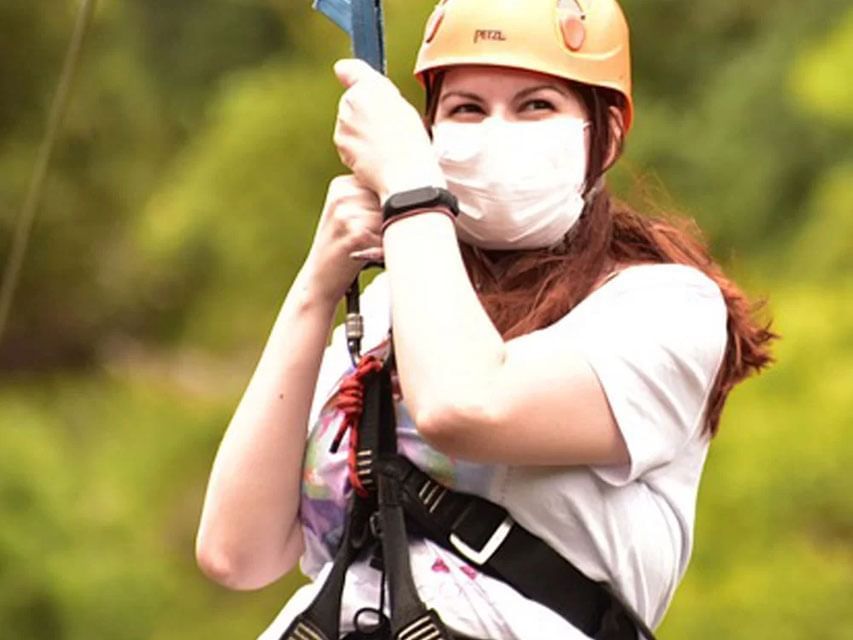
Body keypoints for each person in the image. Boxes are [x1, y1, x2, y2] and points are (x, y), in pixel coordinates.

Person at [195, 0, 775, 638]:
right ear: (431, 130)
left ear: (605, 133)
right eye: (467, 108)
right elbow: (235, 552)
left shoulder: (664, 307)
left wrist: (412, 190)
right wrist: (317, 285)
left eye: (536, 105)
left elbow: (464, 406)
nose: (497, 130)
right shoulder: (393, 309)